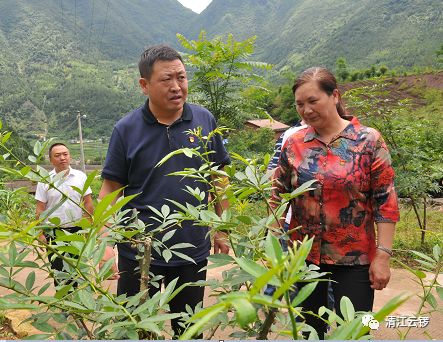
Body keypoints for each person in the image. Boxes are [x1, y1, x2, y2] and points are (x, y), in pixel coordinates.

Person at [98, 44, 230, 337]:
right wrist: (104, 241)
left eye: (181, 77)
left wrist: (222, 227)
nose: (176, 86)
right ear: (144, 85)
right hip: (137, 250)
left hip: (190, 248)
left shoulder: (204, 120)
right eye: (166, 80)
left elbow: (218, 177)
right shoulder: (126, 129)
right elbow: (110, 188)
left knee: (188, 328)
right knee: (133, 327)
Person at [270, 67, 399, 338]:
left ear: (335, 96)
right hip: (302, 260)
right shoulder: (294, 144)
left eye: (313, 101)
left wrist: (383, 257)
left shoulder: (368, 141)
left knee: (355, 332)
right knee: (307, 332)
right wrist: (273, 252)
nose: (306, 110)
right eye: (299, 104)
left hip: (354, 261)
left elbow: (385, 201)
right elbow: (278, 198)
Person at [35, 143, 94, 285]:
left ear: (70, 156)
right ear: (50, 160)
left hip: (77, 231)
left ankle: (80, 303)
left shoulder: (80, 176)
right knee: (59, 272)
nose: (62, 158)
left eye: (65, 154)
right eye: (57, 155)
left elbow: (88, 203)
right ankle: (64, 305)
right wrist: (40, 234)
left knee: (79, 270)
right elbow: (40, 209)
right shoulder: (45, 180)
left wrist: (87, 227)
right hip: (54, 233)